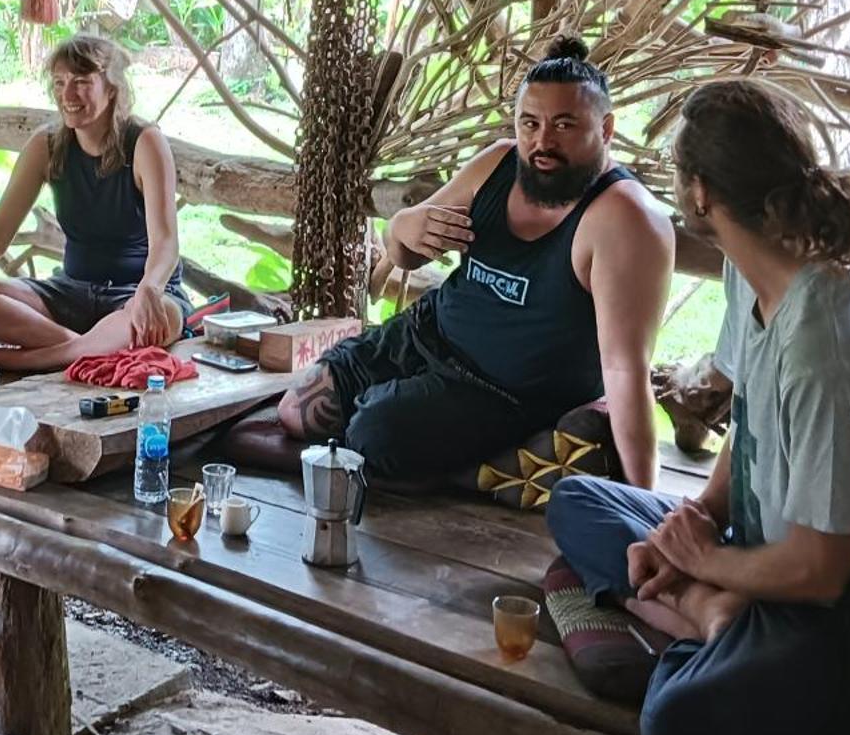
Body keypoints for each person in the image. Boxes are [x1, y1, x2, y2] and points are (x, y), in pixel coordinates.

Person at [545, 78, 850, 735]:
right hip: (766, 549)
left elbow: (823, 572)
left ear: (701, 193)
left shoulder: (828, 344)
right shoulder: (760, 269)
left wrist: (703, 560)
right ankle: (711, 613)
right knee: (576, 501)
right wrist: (695, 521)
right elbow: (752, 425)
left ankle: (706, 618)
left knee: (676, 721)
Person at [276, 37, 674, 490]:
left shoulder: (625, 218)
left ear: (605, 130)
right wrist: (404, 225)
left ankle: (499, 467)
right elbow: (403, 249)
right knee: (298, 412)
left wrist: (642, 502)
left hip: (504, 391)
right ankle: (509, 469)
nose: (542, 141)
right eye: (530, 124)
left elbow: (626, 370)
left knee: (370, 439)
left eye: (564, 125)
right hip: (428, 334)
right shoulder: (498, 164)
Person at [0, 35, 189, 372]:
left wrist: (150, 289)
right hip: (69, 293)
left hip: (136, 296)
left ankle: (35, 359)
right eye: (60, 82)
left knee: (157, 319)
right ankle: (86, 350)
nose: (67, 95)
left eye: (81, 82)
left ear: (111, 88)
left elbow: (166, 241)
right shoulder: (47, 144)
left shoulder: (144, 142)